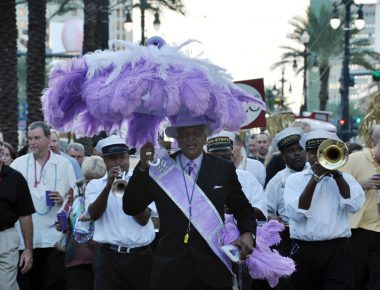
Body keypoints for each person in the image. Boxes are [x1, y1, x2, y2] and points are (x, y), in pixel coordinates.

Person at [123, 115, 257, 290]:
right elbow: (131, 206)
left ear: (205, 136)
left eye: (196, 133)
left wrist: (248, 234)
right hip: (170, 272)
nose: (190, 138)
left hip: (213, 270)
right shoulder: (161, 169)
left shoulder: (223, 169)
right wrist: (142, 168)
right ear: (177, 138)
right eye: (185, 134)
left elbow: (243, 208)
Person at [283, 129, 365, 290]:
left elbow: (354, 205)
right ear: (307, 154)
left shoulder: (345, 179)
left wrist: (337, 175)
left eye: (323, 152)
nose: (318, 158)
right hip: (306, 250)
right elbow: (297, 213)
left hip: (338, 250)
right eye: (313, 153)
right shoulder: (294, 180)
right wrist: (315, 178)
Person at [11, 121, 76, 290]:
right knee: (28, 284)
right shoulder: (18, 164)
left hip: (55, 238)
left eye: (37, 138)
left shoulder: (64, 164)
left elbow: (75, 196)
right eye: (30, 138)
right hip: (26, 241)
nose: (32, 142)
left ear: (48, 139)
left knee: (56, 284)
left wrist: (62, 200)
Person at [85, 135, 155, 290]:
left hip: (140, 257)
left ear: (128, 157)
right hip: (108, 258)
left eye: (122, 157)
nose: (118, 162)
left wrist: (127, 191)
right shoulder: (95, 186)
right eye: (112, 158)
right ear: (104, 160)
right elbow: (93, 215)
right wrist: (108, 186)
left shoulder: (143, 182)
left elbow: (143, 219)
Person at [265, 127, 308, 290]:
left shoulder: (316, 173)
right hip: (288, 240)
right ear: (283, 156)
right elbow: (264, 210)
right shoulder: (277, 181)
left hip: (315, 238)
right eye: (290, 151)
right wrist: (272, 217)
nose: (296, 153)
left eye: (299, 149)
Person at [340, 124, 380, 290]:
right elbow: (337, 188)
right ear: (372, 141)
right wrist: (360, 185)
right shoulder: (355, 159)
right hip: (359, 230)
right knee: (357, 279)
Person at [61, 156, 106, 290]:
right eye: (87, 178)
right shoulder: (76, 194)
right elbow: (69, 221)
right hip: (76, 259)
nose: (89, 183)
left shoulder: (108, 196)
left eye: (94, 179)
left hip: (101, 259)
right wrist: (64, 224)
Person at [0, 132, 35, 290]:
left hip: (6, 238)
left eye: (0, 144)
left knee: (6, 286)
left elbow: (25, 215)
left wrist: (28, 249)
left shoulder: (16, 178)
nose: (0, 148)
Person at [206, 132, 267, 221]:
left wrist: (238, 207)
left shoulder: (248, 178)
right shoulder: (200, 180)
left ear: (232, 157)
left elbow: (261, 212)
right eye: (216, 159)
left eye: (225, 157)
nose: (222, 162)